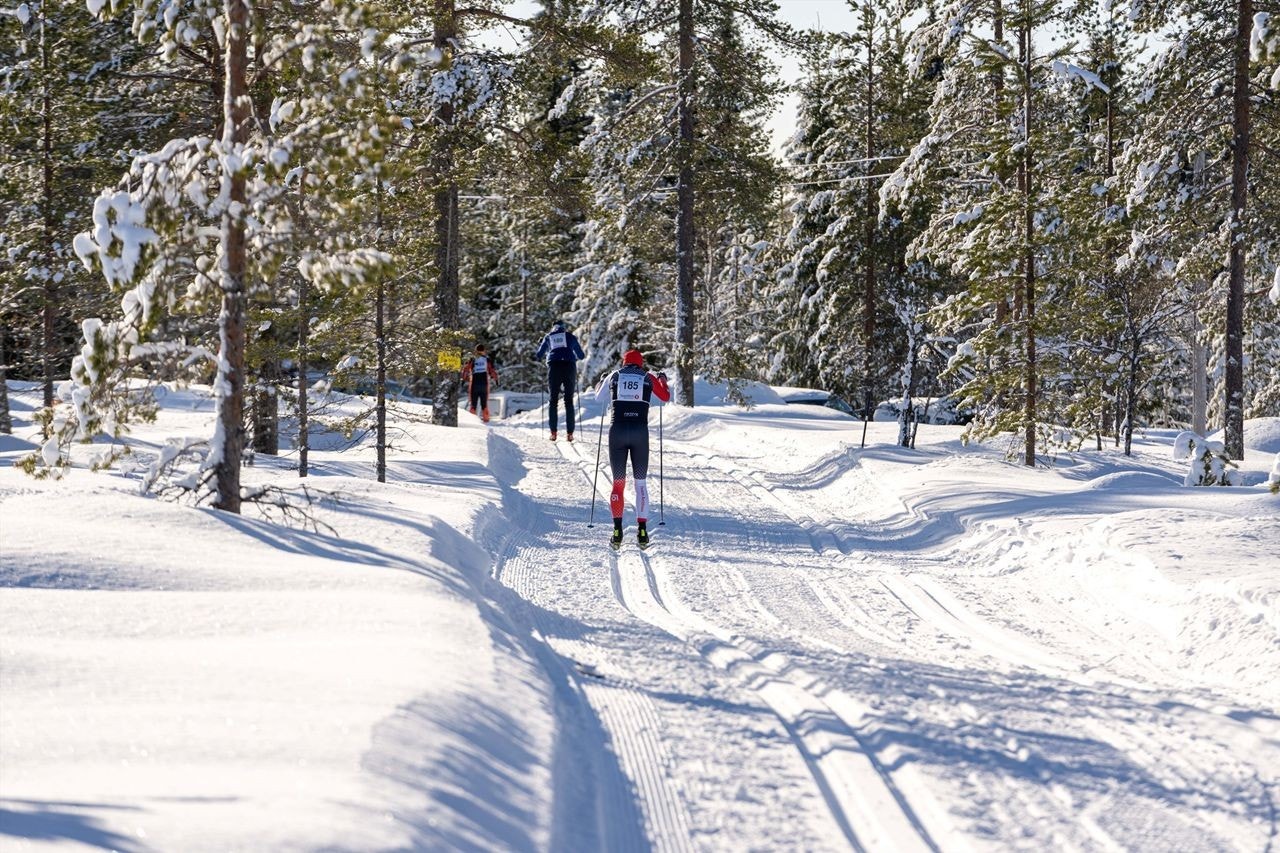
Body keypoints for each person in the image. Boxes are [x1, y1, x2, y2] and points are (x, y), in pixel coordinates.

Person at [594, 348, 670, 548]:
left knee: (618, 483)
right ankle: (642, 532)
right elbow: (664, 397)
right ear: (640, 363)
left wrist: (601, 381)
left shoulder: (614, 375)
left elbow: (598, 397)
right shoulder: (647, 377)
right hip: (639, 434)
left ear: (624, 362)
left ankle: (617, 530)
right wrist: (662, 379)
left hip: (617, 432)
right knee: (640, 484)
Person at [534, 320, 586, 442]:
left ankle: (553, 433)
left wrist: (544, 344)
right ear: (563, 328)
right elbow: (581, 355)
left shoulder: (549, 337)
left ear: (553, 328)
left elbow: (538, 355)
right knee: (569, 401)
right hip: (569, 367)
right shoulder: (570, 336)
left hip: (554, 367)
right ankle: (570, 434)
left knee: (553, 401)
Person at [462, 344, 498, 423]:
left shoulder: (472, 359)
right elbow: (492, 370)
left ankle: (472, 420)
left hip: (474, 384)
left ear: (476, 351)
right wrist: (496, 379)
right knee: (484, 403)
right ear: (483, 351)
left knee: (473, 404)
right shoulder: (487, 359)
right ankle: (486, 419)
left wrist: (464, 379)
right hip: (484, 384)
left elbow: (466, 369)